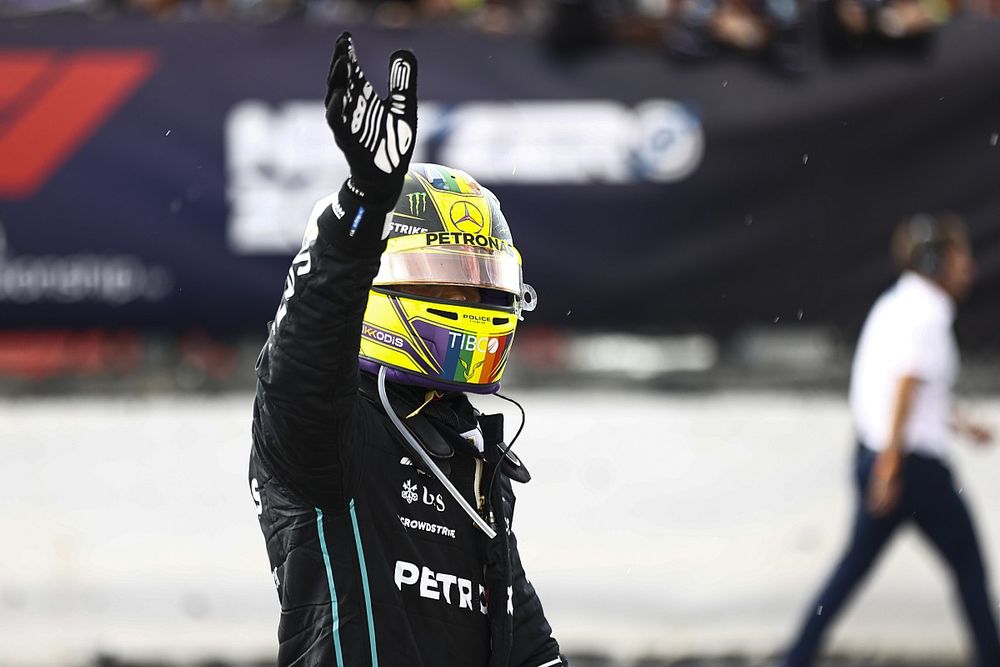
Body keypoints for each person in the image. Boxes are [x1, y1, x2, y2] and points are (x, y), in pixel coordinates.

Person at [247, 32, 566, 667]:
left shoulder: (470, 450)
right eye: (448, 281)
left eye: (485, 286)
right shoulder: (331, 436)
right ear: (379, 283)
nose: (473, 307)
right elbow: (302, 358)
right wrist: (362, 204)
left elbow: (527, 645)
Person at [782, 213, 1000, 666]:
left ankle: (796, 658)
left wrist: (959, 423)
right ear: (937, 261)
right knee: (969, 568)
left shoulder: (896, 304)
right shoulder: (929, 312)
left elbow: (915, 391)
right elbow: (904, 386)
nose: (969, 268)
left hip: (878, 455)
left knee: (852, 571)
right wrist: (890, 468)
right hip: (909, 466)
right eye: (960, 257)